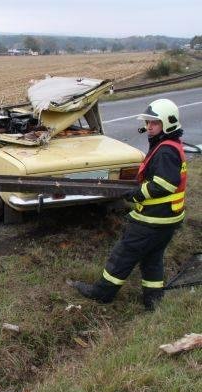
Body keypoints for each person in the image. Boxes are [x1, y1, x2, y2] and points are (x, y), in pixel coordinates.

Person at [70, 99, 187, 310]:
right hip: (168, 219)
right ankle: (153, 301)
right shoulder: (169, 146)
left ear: (167, 124)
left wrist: (135, 194)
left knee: (123, 255)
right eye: (148, 122)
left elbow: (164, 185)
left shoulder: (166, 151)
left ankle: (102, 293)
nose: (149, 127)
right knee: (152, 259)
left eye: (155, 123)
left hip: (153, 219)